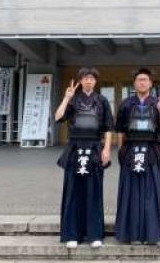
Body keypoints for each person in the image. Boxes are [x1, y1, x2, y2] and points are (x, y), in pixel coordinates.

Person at [55, 67, 113, 249]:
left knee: (94, 192)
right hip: (75, 148)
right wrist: (66, 98)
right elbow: (58, 118)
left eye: (91, 78)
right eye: (85, 78)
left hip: (95, 148)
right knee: (73, 191)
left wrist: (107, 149)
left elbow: (108, 128)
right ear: (80, 80)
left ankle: (95, 235)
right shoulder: (73, 99)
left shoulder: (102, 101)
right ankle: (72, 234)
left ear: (95, 81)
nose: (88, 81)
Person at [114, 67, 160, 244]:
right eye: (139, 80)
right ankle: (129, 233)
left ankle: (150, 234)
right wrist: (121, 152)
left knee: (150, 192)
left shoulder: (157, 103)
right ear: (134, 83)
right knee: (129, 192)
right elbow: (120, 131)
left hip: (151, 151)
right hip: (131, 150)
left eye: (145, 80)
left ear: (151, 83)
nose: (142, 82)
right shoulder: (126, 104)